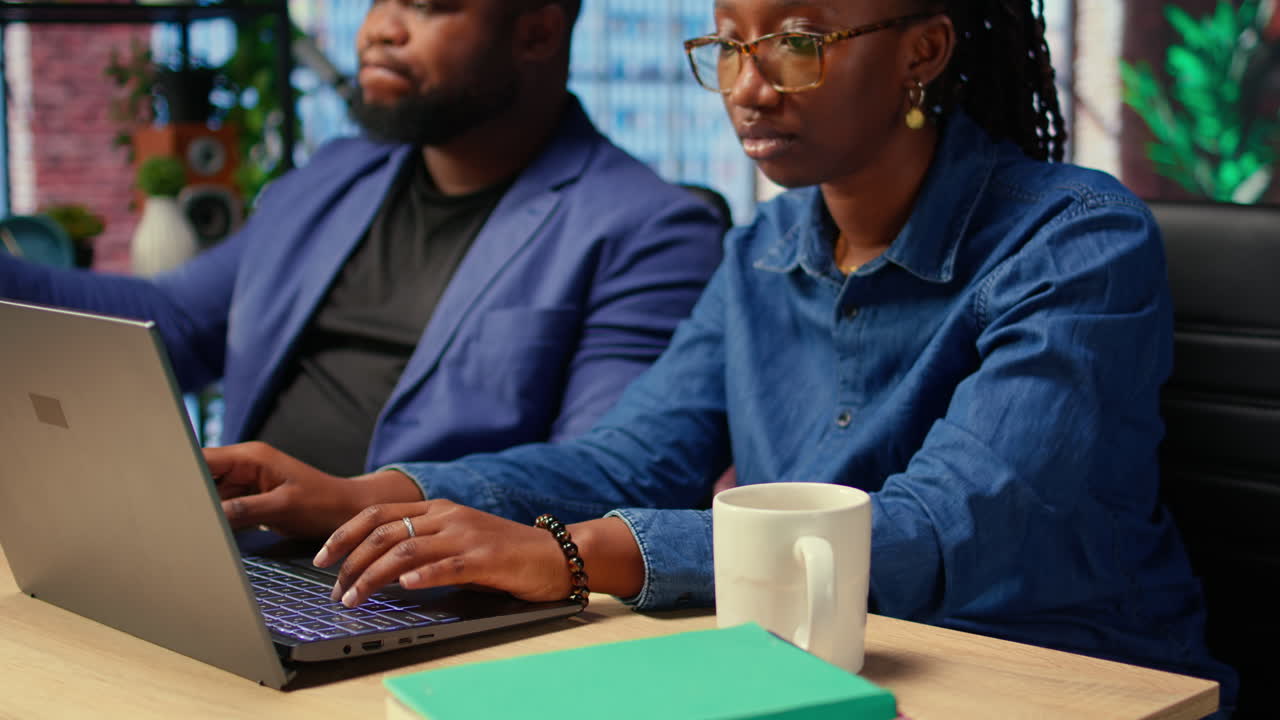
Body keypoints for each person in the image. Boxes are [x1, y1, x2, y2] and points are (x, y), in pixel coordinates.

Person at [207, 0, 1239, 710]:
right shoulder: (762, 251)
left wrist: (575, 554)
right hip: (814, 678)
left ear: (920, 52)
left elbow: (945, 527)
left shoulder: (1074, 241)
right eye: (726, 47)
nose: (748, 87)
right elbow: (626, 459)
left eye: (794, 44)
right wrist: (362, 495)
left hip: (1058, 688)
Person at [0, 0, 724, 479]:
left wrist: (364, 506)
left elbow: (595, 478)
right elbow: (176, 322)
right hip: (245, 558)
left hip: (421, 595)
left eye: (428, 4)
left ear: (536, 31)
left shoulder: (648, 228)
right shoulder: (335, 174)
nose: (379, 28)